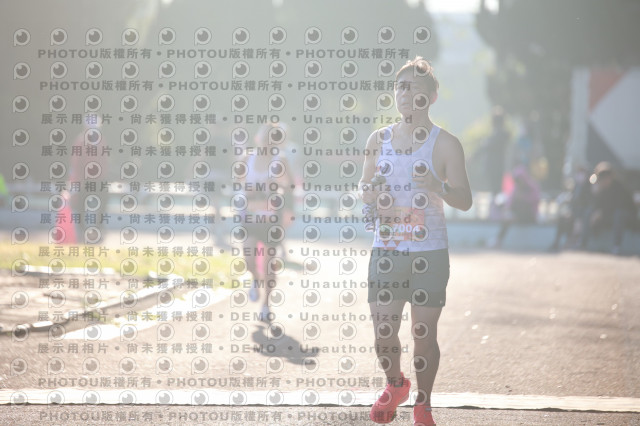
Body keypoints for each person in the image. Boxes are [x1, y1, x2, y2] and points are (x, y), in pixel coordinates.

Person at [359, 57, 472, 426]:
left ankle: (423, 404)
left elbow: (465, 199)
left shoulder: (447, 144)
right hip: (387, 250)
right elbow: (364, 189)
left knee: (423, 334)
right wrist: (371, 194)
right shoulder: (378, 140)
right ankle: (396, 385)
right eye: (401, 87)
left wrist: (438, 186)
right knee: (384, 332)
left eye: (416, 88)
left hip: (430, 252)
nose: (406, 94)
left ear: (432, 97)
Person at [233, 124, 293, 322]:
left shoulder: (280, 160)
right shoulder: (247, 158)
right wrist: (249, 190)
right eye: (265, 137)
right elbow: (238, 182)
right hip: (250, 216)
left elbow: (289, 186)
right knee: (249, 260)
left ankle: (267, 304)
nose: (268, 142)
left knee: (269, 263)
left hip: (271, 218)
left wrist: (277, 186)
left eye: (272, 138)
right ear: (258, 138)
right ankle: (255, 278)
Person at [579, 162, 637, 255]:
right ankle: (583, 243)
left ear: (610, 177)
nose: (603, 181)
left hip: (627, 216)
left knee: (619, 214)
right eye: (601, 179)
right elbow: (596, 205)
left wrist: (602, 212)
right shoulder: (602, 188)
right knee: (588, 212)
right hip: (609, 215)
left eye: (605, 178)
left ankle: (616, 246)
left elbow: (619, 206)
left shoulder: (619, 187)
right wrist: (595, 194)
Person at [488, 164, 540, 249]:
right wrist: (507, 210)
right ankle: (498, 240)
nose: (518, 183)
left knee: (519, 207)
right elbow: (510, 202)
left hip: (529, 216)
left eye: (519, 180)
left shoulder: (532, 187)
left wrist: (522, 197)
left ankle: (498, 239)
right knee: (507, 218)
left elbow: (535, 199)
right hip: (517, 216)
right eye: (516, 180)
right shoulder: (516, 188)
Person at [548, 165, 592, 251]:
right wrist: (570, 212)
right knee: (562, 219)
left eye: (582, 173)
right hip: (574, 213)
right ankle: (556, 242)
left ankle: (577, 243)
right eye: (578, 173)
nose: (579, 175)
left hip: (582, 215)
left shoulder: (588, 188)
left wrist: (578, 218)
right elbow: (573, 202)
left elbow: (586, 204)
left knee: (574, 223)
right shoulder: (576, 187)